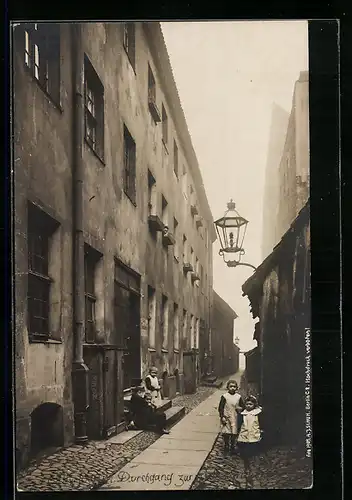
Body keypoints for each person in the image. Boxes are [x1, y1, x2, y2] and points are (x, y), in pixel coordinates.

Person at [218, 379, 244, 456]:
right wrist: (222, 416)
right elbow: (221, 407)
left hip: (234, 416)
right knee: (226, 432)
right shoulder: (224, 396)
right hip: (226, 416)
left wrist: (240, 409)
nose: (232, 388)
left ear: (236, 388)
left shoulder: (238, 397)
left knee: (234, 432)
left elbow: (242, 406)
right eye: (231, 386)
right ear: (228, 387)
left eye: (234, 387)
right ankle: (226, 445)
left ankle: (232, 446)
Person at [237, 395, 263, 461]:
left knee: (253, 440)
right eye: (247, 404)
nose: (248, 406)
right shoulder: (243, 413)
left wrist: (261, 428)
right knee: (244, 441)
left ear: (254, 405)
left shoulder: (257, 413)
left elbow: (261, 421)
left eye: (250, 404)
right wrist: (239, 429)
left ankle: (252, 453)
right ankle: (244, 453)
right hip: (245, 429)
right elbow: (240, 421)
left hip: (254, 428)